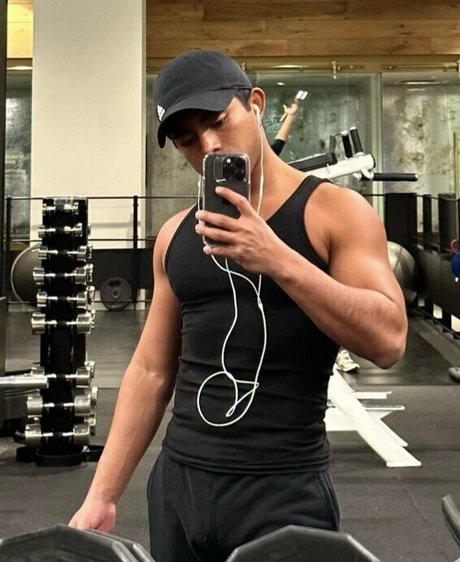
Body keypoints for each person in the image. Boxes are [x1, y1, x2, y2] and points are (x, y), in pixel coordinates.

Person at [69, 49, 408, 562]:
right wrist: (102, 493)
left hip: (282, 488)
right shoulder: (175, 236)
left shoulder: (335, 212)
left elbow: (388, 340)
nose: (208, 144)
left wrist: (276, 257)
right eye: (187, 139)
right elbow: (151, 371)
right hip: (179, 486)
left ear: (256, 104)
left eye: (217, 121)